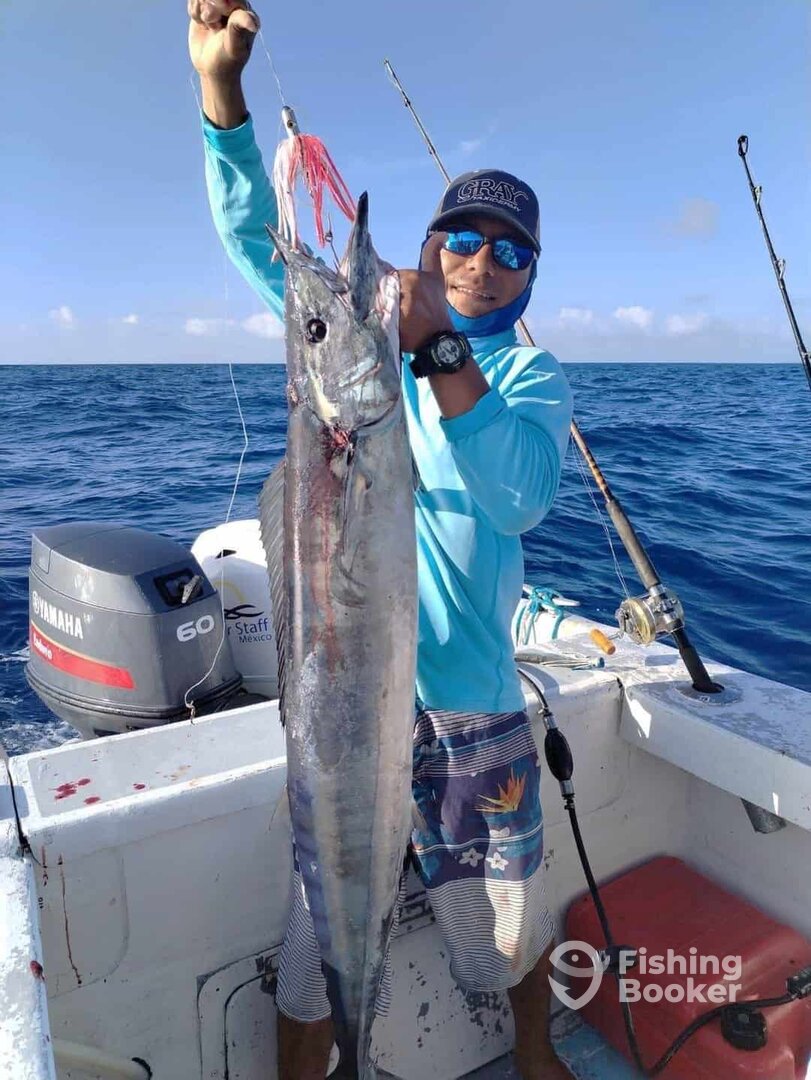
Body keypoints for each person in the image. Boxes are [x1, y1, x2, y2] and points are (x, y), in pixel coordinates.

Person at [188, 5, 574, 1077]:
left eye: (510, 251)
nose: (482, 260)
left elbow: (518, 497)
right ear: (428, 246)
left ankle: (535, 1057)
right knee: (314, 954)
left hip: (471, 710)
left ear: (529, 278)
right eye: (462, 238)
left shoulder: (527, 376)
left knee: (501, 930)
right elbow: (263, 250)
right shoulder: (364, 336)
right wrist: (222, 98)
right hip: (347, 709)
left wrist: (439, 347)